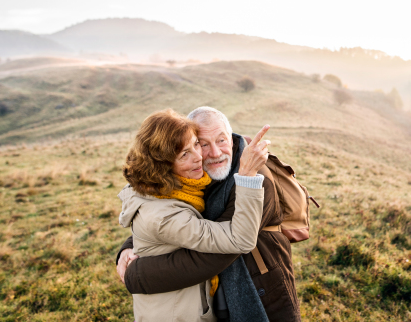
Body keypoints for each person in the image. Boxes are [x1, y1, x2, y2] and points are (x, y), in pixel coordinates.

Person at [116, 107, 301, 322]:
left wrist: (137, 275)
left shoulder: (256, 179)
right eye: (202, 144)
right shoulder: (197, 178)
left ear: (231, 138)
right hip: (213, 299)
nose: (213, 153)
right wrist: (129, 246)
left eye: (222, 140)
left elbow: (213, 254)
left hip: (262, 288)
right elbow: (168, 215)